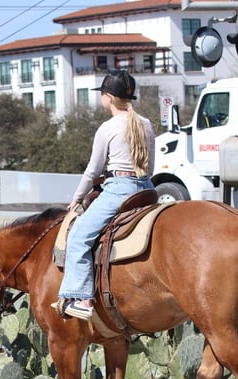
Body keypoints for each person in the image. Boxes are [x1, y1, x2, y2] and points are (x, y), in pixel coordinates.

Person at [56, 69, 156, 321]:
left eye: (102, 94)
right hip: (147, 189)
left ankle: (82, 298)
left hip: (120, 189)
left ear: (108, 97)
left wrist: (77, 198)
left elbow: (93, 171)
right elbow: (151, 168)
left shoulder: (108, 127)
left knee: (78, 237)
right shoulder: (146, 124)